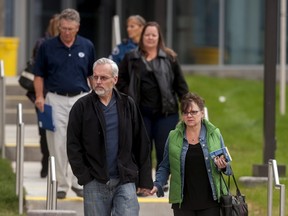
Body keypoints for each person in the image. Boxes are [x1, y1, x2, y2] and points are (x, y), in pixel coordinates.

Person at [67, 57, 153, 215]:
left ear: (115, 79)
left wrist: (145, 179)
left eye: (103, 78)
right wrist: (85, 176)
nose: (98, 81)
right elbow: (73, 145)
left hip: (124, 179)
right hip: (94, 180)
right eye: (95, 77)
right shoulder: (81, 107)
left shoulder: (128, 104)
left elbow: (142, 142)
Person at [117, 21, 189, 188]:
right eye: (147, 35)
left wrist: (186, 107)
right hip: (141, 113)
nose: (150, 38)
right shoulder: (131, 57)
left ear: (159, 37)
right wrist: (129, 94)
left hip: (166, 112)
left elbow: (181, 86)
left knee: (165, 148)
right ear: (142, 37)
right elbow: (119, 80)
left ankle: (161, 181)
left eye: (153, 35)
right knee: (142, 149)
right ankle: (144, 182)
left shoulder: (169, 58)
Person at [33, 8, 96, 199]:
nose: (66, 32)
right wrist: (39, 97)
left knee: (81, 142)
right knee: (57, 143)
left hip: (81, 98)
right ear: (59, 26)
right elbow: (38, 75)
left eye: (70, 28)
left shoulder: (87, 46)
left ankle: (78, 182)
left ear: (77, 27)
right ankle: (61, 183)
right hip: (54, 98)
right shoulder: (47, 46)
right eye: (63, 28)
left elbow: (91, 74)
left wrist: (96, 96)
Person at [150, 92, 232, 216]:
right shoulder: (173, 137)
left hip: (211, 202)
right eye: (185, 112)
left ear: (202, 113)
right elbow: (165, 166)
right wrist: (158, 184)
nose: (189, 116)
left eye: (193, 112)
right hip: (183, 204)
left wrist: (223, 166)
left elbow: (228, 167)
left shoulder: (214, 134)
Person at [25, 13, 60, 178]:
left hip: (61, 95)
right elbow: (38, 70)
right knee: (44, 131)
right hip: (44, 96)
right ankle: (47, 162)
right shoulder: (43, 44)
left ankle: (56, 165)